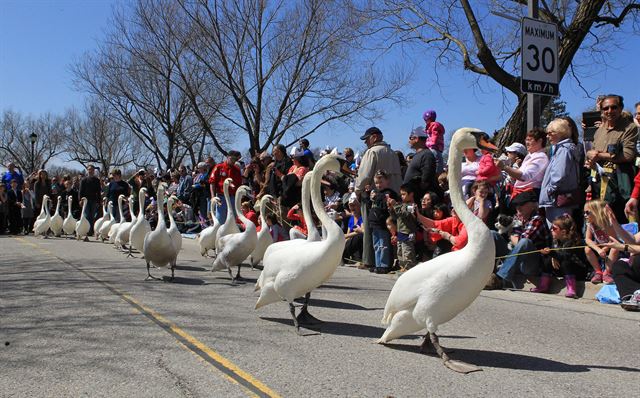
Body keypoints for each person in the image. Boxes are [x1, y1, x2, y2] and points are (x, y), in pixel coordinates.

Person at [586, 94, 639, 223]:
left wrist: (599, 155)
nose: (609, 111)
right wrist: (590, 157)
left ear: (620, 108)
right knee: (603, 222)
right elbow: (592, 152)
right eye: (606, 108)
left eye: (613, 107)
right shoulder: (599, 131)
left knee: (622, 222)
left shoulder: (629, 127)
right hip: (599, 183)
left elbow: (628, 155)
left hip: (621, 183)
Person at [355, 127, 402, 271]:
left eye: (367, 139)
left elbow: (364, 176)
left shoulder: (372, 152)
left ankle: (370, 260)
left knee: (372, 228)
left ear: (374, 137)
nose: (365, 143)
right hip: (393, 196)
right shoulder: (393, 153)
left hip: (375, 197)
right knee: (391, 228)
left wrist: (358, 190)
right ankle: (393, 260)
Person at [492, 190, 551, 289]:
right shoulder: (517, 217)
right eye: (516, 204)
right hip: (515, 258)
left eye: (522, 204)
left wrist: (510, 234)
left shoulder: (537, 219)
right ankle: (486, 271)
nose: (518, 207)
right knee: (492, 234)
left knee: (525, 242)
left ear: (533, 205)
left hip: (531, 265)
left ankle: (500, 278)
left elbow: (520, 243)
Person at [532, 214, 588, 298]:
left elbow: (565, 256)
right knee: (547, 259)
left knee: (566, 262)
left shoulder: (572, 242)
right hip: (562, 269)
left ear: (563, 232)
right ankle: (543, 285)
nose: (551, 230)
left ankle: (571, 289)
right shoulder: (555, 240)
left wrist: (552, 253)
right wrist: (551, 256)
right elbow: (556, 254)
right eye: (551, 228)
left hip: (576, 270)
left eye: (554, 229)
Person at [539, 117, 582, 226]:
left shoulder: (563, 150)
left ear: (560, 132)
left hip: (557, 200)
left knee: (559, 231)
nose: (547, 136)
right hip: (560, 199)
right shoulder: (564, 149)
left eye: (550, 133)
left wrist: (550, 190)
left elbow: (559, 174)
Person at [495, 128, 549, 203]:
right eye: (526, 140)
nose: (527, 142)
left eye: (530, 140)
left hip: (528, 196)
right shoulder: (530, 156)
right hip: (521, 195)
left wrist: (504, 167)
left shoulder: (540, 157)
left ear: (540, 141)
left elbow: (524, 176)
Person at [364, 170, 399, 274]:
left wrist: (376, 197)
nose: (378, 185)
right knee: (376, 245)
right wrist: (367, 195)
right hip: (374, 223)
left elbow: (385, 205)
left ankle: (385, 265)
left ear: (387, 181)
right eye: (376, 183)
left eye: (381, 182)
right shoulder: (376, 193)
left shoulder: (389, 193)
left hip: (383, 223)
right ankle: (378, 264)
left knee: (383, 245)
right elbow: (369, 205)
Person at [584, 200, 619, 285]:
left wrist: (605, 248)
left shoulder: (608, 224)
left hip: (611, 247)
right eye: (584, 213)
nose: (585, 215)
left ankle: (607, 272)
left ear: (596, 212)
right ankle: (598, 272)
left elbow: (613, 240)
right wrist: (598, 249)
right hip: (600, 248)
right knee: (587, 249)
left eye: (587, 212)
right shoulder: (590, 224)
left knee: (615, 248)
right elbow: (587, 240)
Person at [403, 128, 440, 201]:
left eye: (410, 138)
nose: (409, 140)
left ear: (416, 139)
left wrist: (418, 196)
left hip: (419, 198)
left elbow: (426, 179)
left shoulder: (426, 155)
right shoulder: (417, 155)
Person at [388, 183, 418, 271]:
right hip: (400, 233)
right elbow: (395, 217)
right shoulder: (401, 205)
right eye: (401, 194)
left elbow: (404, 214)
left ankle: (410, 271)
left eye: (404, 194)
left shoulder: (412, 205)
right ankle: (403, 268)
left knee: (408, 254)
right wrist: (391, 209)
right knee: (400, 254)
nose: (402, 196)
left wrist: (395, 205)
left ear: (411, 194)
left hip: (408, 234)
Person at [209, 150, 243, 224]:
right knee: (220, 219)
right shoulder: (218, 167)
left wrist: (239, 199)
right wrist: (212, 196)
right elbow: (212, 182)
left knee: (232, 219)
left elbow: (239, 185)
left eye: (235, 159)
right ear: (227, 157)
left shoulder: (237, 170)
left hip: (233, 198)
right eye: (232, 159)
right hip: (221, 197)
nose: (234, 161)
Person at [79, 165, 103, 235]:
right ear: (87, 170)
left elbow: (98, 191)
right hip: (85, 200)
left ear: (94, 171)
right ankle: (87, 230)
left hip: (94, 200)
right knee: (86, 215)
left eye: (92, 170)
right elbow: (81, 191)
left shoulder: (96, 180)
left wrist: (99, 201)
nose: (90, 171)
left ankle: (91, 230)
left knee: (92, 216)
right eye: (89, 169)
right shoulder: (83, 180)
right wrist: (80, 200)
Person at [423, 109, 445, 174]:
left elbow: (435, 134)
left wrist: (433, 143)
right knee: (437, 160)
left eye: (425, 119)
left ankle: (437, 173)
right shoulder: (429, 126)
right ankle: (436, 173)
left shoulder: (434, 125)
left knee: (438, 160)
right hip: (432, 146)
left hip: (434, 146)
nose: (425, 121)